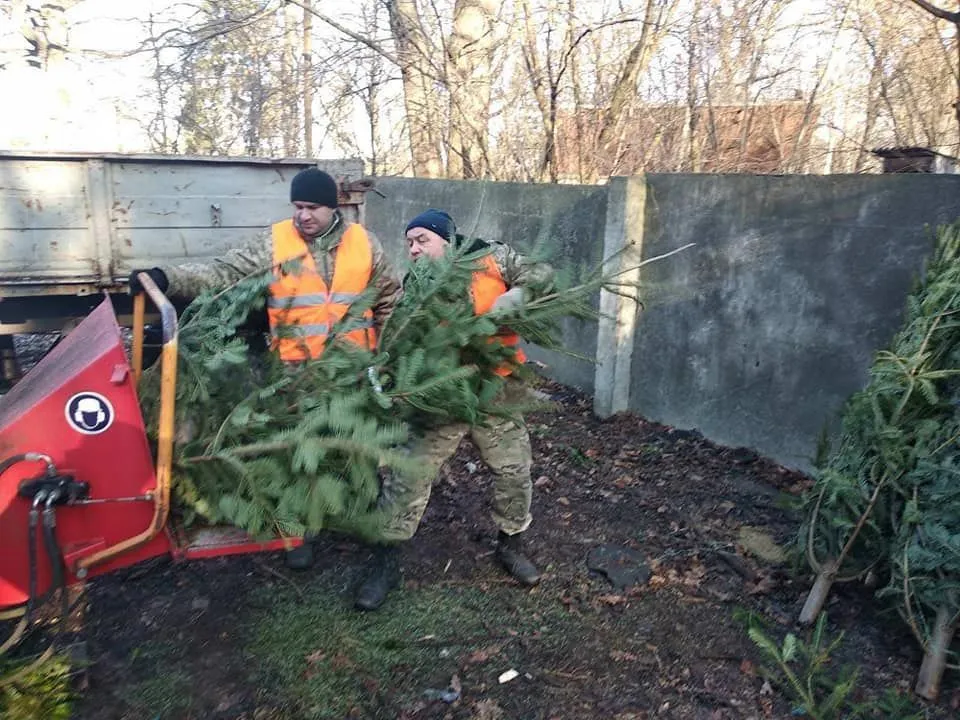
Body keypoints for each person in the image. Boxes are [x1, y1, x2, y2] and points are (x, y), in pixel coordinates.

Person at [128, 167, 402, 568]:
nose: (303, 215)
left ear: (332, 208)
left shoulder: (366, 244)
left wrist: (389, 354)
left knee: (358, 445)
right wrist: (166, 278)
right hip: (294, 374)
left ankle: (366, 521)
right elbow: (221, 273)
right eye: (297, 206)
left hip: (352, 370)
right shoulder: (275, 243)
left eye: (311, 207)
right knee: (298, 451)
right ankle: (301, 531)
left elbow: (390, 300)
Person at [355, 209, 554, 611]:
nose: (413, 249)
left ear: (445, 238)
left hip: (496, 389)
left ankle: (511, 544)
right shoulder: (417, 287)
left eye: (421, 240)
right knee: (407, 475)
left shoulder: (493, 258)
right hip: (443, 396)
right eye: (409, 243)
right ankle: (387, 561)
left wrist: (514, 298)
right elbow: (403, 338)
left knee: (514, 470)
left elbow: (542, 274)